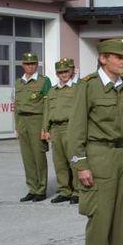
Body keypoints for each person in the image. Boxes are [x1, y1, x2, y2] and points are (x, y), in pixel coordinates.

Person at [67, 38, 123, 245]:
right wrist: (81, 164)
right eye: (119, 57)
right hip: (98, 157)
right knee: (100, 220)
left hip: (119, 157)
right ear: (103, 58)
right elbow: (76, 130)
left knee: (119, 222)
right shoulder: (89, 86)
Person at [15, 51, 51, 201]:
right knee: (27, 158)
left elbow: (48, 105)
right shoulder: (19, 82)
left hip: (37, 121)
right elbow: (16, 106)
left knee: (38, 156)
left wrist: (46, 127)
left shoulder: (44, 81)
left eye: (33, 64)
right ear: (22, 65)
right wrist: (16, 127)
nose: (30, 66)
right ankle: (32, 188)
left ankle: (41, 189)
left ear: (37, 65)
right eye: (27, 64)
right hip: (22, 121)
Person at [42, 57, 79, 204]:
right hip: (56, 129)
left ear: (71, 71)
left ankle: (78, 191)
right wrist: (45, 128)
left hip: (71, 128)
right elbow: (47, 110)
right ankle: (64, 190)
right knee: (59, 162)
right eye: (60, 72)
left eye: (66, 71)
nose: (63, 74)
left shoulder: (77, 89)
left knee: (74, 160)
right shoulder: (52, 91)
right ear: (57, 74)